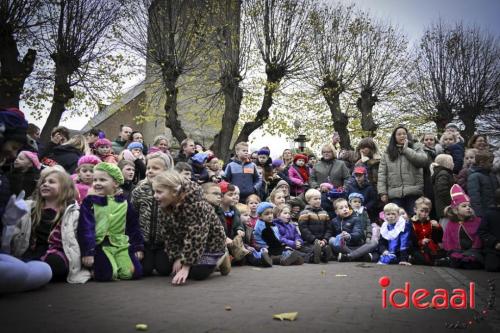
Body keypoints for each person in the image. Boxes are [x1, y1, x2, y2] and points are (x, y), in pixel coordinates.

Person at [8, 167, 90, 283]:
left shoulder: (73, 213)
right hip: (31, 251)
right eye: (43, 182)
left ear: (64, 188)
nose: (45, 184)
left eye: (51, 182)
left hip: (56, 253)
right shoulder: (29, 208)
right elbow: (15, 233)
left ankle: (25, 276)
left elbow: (82, 238)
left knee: (54, 263)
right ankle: (25, 275)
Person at [152, 170, 228, 284]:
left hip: (209, 243)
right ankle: (187, 260)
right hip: (185, 244)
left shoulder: (196, 204)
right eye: (155, 191)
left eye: (159, 192)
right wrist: (177, 257)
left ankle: (221, 258)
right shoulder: (164, 204)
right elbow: (169, 235)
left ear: (174, 191)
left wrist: (186, 266)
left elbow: (197, 236)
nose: (155, 196)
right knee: (164, 268)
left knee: (196, 274)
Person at [78, 162, 144, 281]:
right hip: (100, 245)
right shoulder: (90, 202)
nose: (97, 183)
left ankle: (114, 263)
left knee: (134, 272)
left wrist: (137, 247)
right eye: (95, 180)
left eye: (102, 180)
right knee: (107, 274)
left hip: (121, 244)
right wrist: (88, 252)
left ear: (116, 183)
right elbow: (85, 228)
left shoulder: (124, 202)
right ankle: (100, 267)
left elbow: (133, 226)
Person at [131, 152, 173, 277]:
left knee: (165, 270)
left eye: (155, 168)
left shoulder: (171, 191)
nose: (150, 171)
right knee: (144, 270)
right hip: (144, 242)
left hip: (164, 243)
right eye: (148, 168)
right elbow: (133, 218)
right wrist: (136, 245)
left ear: (166, 171)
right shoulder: (139, 191)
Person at [377, 126, 428, 215]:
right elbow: (382, 174)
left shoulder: (416, 147)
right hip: (395, 194)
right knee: (397, 220)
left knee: (414, 219)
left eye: (404, 134)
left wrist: (406, 150)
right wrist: (383, 193)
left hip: (413, 192)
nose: (402, 136)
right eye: (399, 134)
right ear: (394, 137)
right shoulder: (387, 153)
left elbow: (422, 161)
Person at [442, 184, 483, 269]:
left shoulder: (477, 221)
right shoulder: (451, 223)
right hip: (457, 251)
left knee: (472, 261)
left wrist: (474, 249)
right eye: (464, 206)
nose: (468, 208)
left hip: (473, 251)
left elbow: (478, 239)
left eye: (469, 206)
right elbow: (448, 239)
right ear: (456, 210)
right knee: (455, 258)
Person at [298, 189, 333, 263]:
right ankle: (315, 256)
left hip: (321, 240)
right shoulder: (304, 213)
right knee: (307, 249)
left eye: (319, 199)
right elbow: (303, 229)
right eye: (315, 199)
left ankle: (323, 255)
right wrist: (314, 240)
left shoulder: (325, 213)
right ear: (308, 201)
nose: (318, 201)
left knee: (324, 248)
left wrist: (325, 240)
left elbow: (329, 229)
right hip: (309, 241)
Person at [410, 197, 445, 266]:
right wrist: (421, 241)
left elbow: (438, 239)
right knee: (419, 256)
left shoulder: (431, 223)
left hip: (430, 248)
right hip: (417, 248)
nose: (424, 214)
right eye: (422, 211)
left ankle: (434, 260)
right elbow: (410, 241)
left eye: (427, 211)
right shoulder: (411, 223)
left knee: (444, 252)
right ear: (415, 210)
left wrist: (438, 227)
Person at [218, 181, 248, 263]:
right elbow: (216, 230)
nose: (235, 197)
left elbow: (239, 224)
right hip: (221, 242)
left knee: (247, 251)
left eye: (235, 194)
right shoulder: (216, 211)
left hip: (233, 242)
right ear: (221, 197)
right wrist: (225, 238)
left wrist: (240, 229)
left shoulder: (235, 211)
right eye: (230, 195)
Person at [467, 150, 498, 217]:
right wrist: (479, 215)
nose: (492, 164)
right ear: (482, 163)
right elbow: (475, 198)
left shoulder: (491, 175)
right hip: (484, 213)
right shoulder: (474, 177)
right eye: (490, 162)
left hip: (494, 211)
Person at [478, 189, 500, 272]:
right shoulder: (489, 214)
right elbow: (482, 232)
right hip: (494, 249)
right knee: (492, 267)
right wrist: (495, 243)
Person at [431, 154, 455, 220]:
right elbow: (442, 190)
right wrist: (451, 202)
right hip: (445, 208)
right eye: (452, 162)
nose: (453, 164)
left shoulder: (443, 173)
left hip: (443, 207)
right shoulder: (443, 173)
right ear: (447, 163)